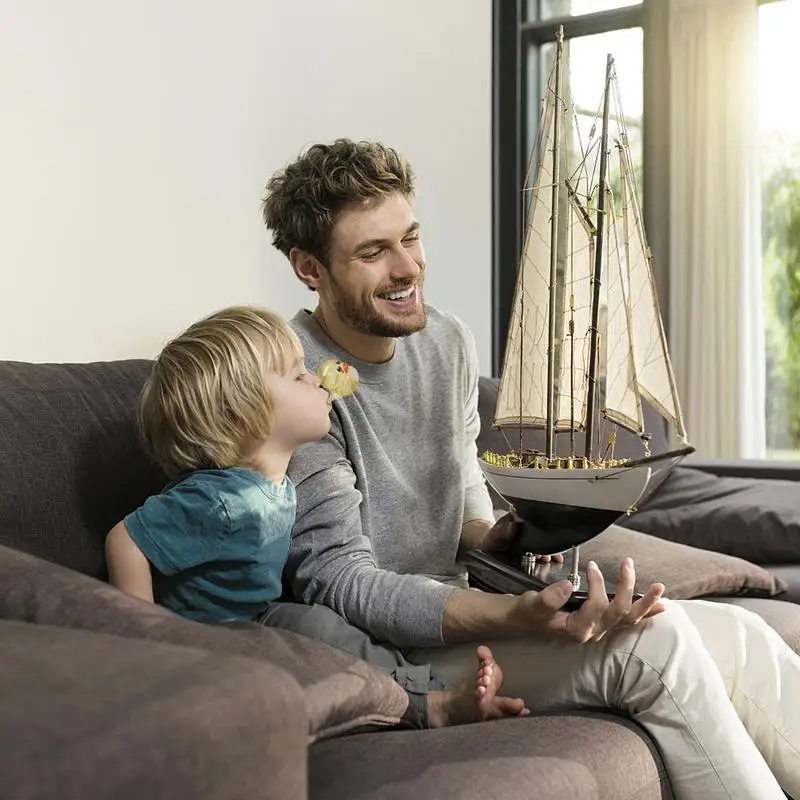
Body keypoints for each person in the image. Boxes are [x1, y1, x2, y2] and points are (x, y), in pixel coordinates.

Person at [261, 138, 800, 799]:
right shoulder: (296, 383)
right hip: (402, 649)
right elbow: (339, 582)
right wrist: (509, 614)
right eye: (374, 252)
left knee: (740, 632)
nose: (408, 268)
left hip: (472, 601)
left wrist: (503, 545)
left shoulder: (446, 340)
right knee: (656, 650)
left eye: (411, 238)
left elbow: (461, 504)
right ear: (309, 268)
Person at [104, 305, 530, 730]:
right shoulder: (221, 500)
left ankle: (430, 694)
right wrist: (149, 641)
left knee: (326, 628)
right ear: (246, 415)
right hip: (213, 639)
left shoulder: (276, 483)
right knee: (315, 629)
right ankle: (431, 703)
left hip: (258, 618)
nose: (315, 378)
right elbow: (126, 540)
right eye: (296, 375)